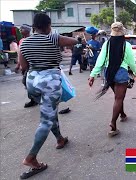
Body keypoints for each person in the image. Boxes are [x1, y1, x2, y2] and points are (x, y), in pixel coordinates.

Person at [18, 13, 77, 178]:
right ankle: (31, 157)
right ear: (49, 25)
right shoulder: (53, 38)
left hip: (32, 81)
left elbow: (23, 66)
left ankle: (60, 139)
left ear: (34, 26)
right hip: (50, 81)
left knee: (49, 111)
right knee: (46, 119)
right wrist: (56, 37)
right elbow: (74, 41)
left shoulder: (24, 42)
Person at [88, 22, 136, 137]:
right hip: (121, 73)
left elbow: (100, 61)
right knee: (119, 98)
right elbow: (131, 62)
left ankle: (123, 115)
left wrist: (93, 75)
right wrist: (135, 73)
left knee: (118, 97)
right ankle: (113, 124)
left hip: (108, 73)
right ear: (122, 33)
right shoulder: (126, 45)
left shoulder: (106, 44)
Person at [14, 24, 39, 108]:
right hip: (25, 65)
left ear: (27, 30)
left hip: (31, 65)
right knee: (28, 82)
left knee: (27, 82)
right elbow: (20, 55)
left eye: (22, 29)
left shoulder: (31, 39)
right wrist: (19, 65)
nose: (20, 31)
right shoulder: (21, 40)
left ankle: (34, 99)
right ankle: (34, 98)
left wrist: (22, 66)